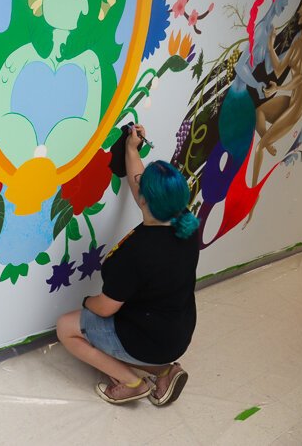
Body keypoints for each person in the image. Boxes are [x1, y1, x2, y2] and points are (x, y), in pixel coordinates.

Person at [56, 124, 200, 405]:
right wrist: (132, 149)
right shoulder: (186, 224)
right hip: (176, 333)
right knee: (138, 336)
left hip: (145, 337)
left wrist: (86, 301)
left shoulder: (137, 251)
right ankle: (165, 371)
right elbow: (140, 186)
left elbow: (106, 307)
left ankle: (130, 382)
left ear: (145, 200)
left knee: (66, 327)